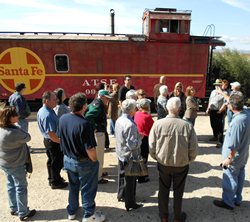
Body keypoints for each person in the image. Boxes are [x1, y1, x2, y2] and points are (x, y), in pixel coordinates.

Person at [149, 97, 198, 222]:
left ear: (166, 109)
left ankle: (164, 216)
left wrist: (157, 158)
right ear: (180, 109)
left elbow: (152, 146)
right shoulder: (187, 126)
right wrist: (189, 160)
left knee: (163, 189)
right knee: (178, 190)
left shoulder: (158, 124)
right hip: (181, 164)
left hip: (163, 163)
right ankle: (177, 217)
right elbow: (193, 148)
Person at [58, 92, 106, 222]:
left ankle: (72, 212)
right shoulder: (85, 124)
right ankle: (89, 215)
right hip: (84, 162)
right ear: (84, 106)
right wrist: (95, 160)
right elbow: (90, 148)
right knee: (88, 189)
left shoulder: (63, 118)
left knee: (73, 187)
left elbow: (60, 137)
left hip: (68, 159)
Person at [213, 93, 250, 210]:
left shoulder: (237, 122)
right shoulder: (246, 114)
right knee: (240, 176)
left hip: (234, 157)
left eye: (228, 103)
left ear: (232, 106)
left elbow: (234, 144)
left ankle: (228, 202)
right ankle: (237, 199)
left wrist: (228, 159)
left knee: (230, 177)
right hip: (243, 154)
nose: (227, 104)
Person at [0, 106, 36, 221]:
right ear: (10, 118)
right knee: (20, 187)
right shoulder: (14, 132)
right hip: (16, 163)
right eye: (15, 115)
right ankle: (23, 212)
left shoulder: (1, 129)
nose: (18, 116)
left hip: (4, 162)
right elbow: (28, 137)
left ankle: (14, 207)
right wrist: (19, 127)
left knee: (10, 184)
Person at [115, 99, 143, 211]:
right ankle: (130, 203)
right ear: (132, 110)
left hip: (121, 153)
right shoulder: (130, 124)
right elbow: (132, 145)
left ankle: (121, 194)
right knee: (131, 181)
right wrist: (140, 139)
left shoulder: (119, 120)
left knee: (122, 176)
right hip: (129, 156)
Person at [37, 91, 67, 189]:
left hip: (48, 140)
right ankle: (55, 182)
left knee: (51, 161)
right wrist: (61, 141)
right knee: (56, 162)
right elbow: (51, 133)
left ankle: (53, 178)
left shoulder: (45, 110)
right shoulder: (47, 115)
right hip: (53, 141)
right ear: (46, 101)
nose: (56, 101)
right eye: (54, 99)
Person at [85, 89, 112, 184]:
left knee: (99, 154)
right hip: (98, 133)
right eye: (107, 98)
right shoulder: (98, 104)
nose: (108, 101)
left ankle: (99, 172)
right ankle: (98, 177)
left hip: (98, 132)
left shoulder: (95, 103)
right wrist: (93, 127)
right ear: (102, 97)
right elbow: (88, 116)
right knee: (99, 155)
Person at [134, 98, 154, 183]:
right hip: (145, 138)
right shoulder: (148, 116)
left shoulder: (137, 113)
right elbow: (153, 128)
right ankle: (142, 177)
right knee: (144, 158)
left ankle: (137, 174)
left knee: (138, 156)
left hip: (137, 137)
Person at [206, 79, 228, 148]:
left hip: (219, 111)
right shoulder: (213, 92)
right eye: (215, 85)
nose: (216, 86)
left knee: (220, 127)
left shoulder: (225, 93)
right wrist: (208, 108)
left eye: (218, 85)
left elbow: (226, 102)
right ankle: (215, 136)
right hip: (212, 110)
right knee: (213, 124)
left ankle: (220, 141)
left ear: (221, 85)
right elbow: (210, 100)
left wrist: (221, 110)